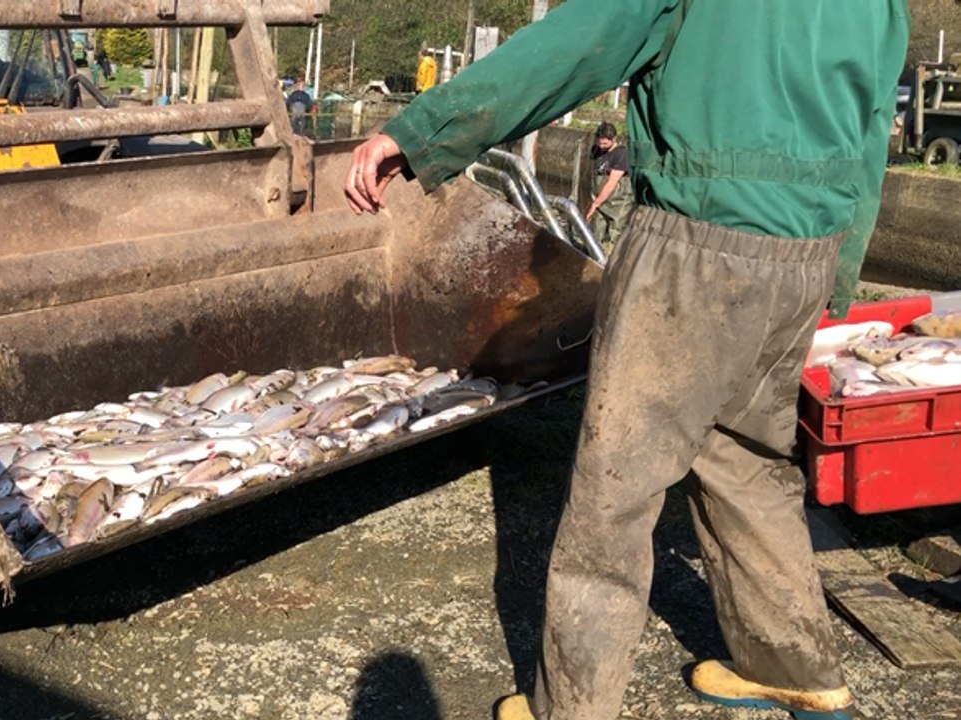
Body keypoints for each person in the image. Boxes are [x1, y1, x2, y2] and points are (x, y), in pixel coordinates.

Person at [344, 0, 908, 719]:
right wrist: (840, 268)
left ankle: (572, 708)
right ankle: (794, 667)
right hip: (804, 253)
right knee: (747, 461)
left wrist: (423, 131)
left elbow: (578, 43)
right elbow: (867, 140)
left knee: (617, 489)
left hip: (697, 246)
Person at [585, 122, 635, 255]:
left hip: (618, 199)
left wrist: (595, 204)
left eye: (605, 144)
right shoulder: (596, 150)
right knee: (595, 231)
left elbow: (612, 182)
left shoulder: (622, 154)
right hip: (599, 194)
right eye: (599, 143)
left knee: (614, 233)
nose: (601, 147)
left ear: (614, 139)